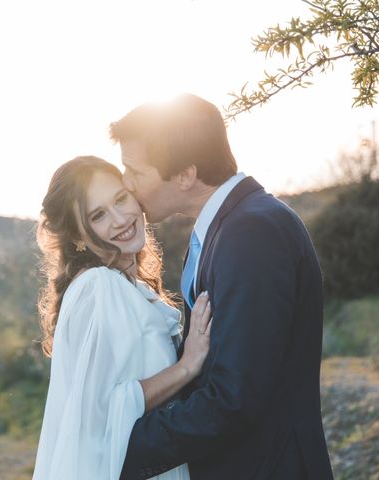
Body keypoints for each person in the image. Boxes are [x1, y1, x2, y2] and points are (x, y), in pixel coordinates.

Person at [110, 93, 333, 480]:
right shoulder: (226, 228)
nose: (127, 185)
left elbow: (236, 397)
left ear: (185, 174)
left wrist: (119, 448)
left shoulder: (252, 231)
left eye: (135, 172)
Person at [32, 156, 212, 480]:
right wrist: (186, 367)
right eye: (98, 215)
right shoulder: (98, 286)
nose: (120, 219)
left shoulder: (123, 284)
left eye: (120, 199)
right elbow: (100, 411)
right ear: (77, 236)